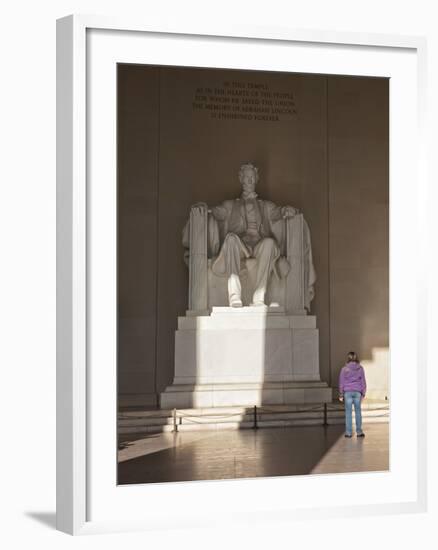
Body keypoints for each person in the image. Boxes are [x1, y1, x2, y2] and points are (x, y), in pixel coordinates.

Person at [186, 162, 315, 308]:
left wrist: (286, 210)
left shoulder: (265, 206)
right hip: (240, 244)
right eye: (247, 177)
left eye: (252, 177)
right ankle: (234, 295)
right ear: (241, 179)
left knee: (270, 243)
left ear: (256, 179)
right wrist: (204, 208)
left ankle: (259, 297)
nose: (250, 180)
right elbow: (216, 211)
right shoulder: (230, 205)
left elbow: (278, 212)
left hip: (259, 244)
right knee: (230, 240)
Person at [338, 351, 367, 438]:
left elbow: (341, 382)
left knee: (348, 413)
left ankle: (348, 433)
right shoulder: (360, 368)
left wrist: (340, 394)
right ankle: (359, 432)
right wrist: (363, 393)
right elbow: (363, 382)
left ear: (348, 358)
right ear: (356, 358)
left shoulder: (344, 369)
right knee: (358, 412)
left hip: (347, 393)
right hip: (357, 392)